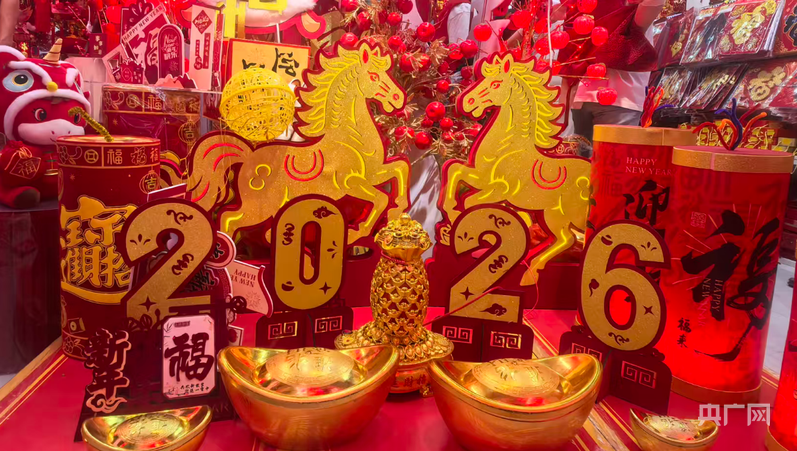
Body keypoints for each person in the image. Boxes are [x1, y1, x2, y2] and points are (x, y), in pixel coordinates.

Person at [571, 0, 665, 147]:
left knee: (581, 157)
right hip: (619, 97)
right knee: (613, 156)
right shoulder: (630, 10)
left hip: (584, 93)